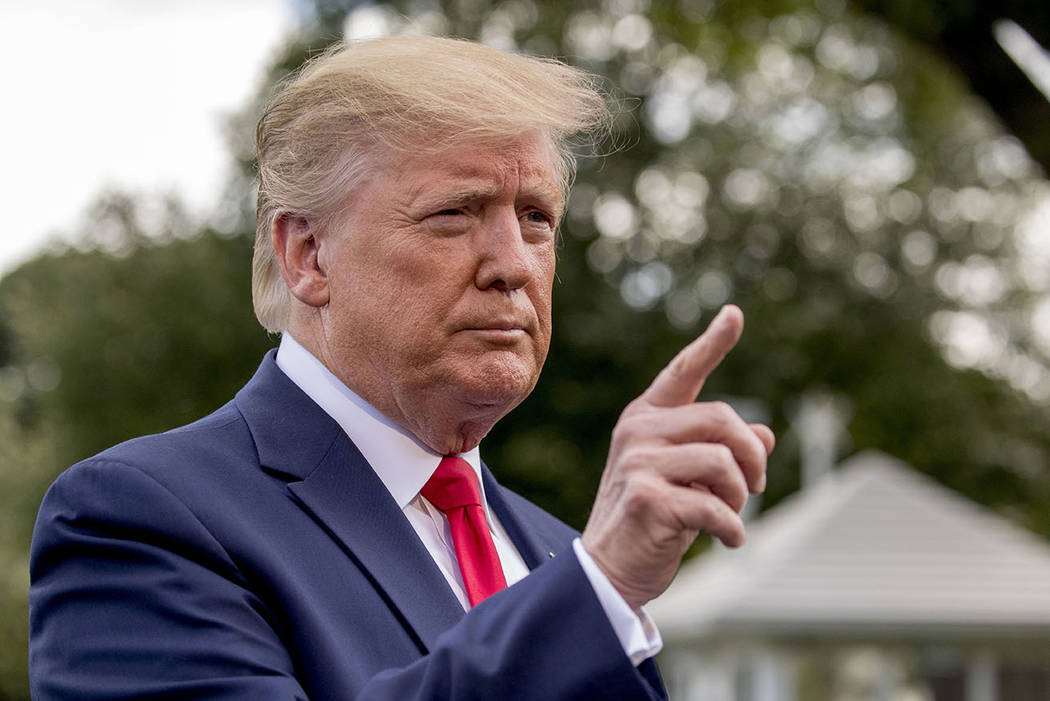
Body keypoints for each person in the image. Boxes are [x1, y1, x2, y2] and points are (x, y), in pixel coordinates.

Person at [28, 36, 773, 700]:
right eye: (455, 212)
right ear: (308, 254)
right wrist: (594, 593)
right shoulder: (140, 520)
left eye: (537, 218)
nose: (514, 263)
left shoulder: (556, 548)